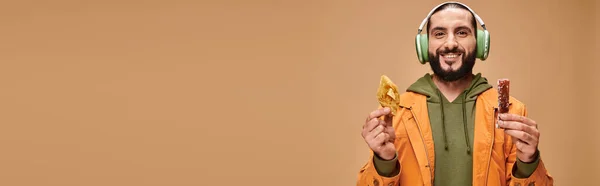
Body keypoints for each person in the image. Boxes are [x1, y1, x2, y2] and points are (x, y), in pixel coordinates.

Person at [356, 2, 554, 186]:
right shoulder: (397, 113)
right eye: (439, 33)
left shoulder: (511, 112)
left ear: (479, 43)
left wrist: (529, 162)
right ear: (425, 46)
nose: (450, 43)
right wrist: (384, 162)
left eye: (461, 32)